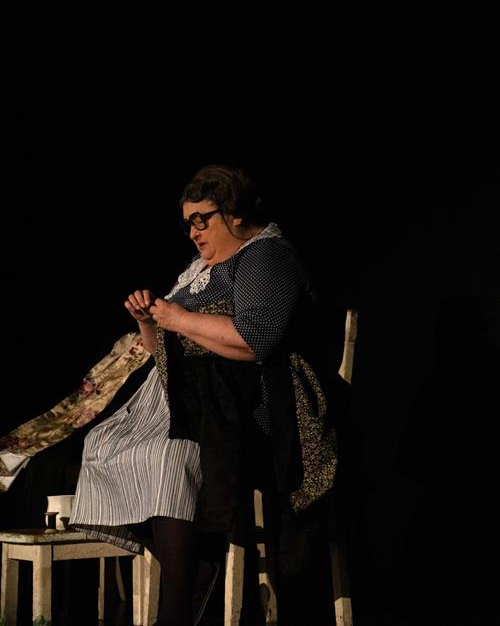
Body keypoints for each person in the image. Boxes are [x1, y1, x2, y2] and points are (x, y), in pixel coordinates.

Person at [70, 164, 339, 626]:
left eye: (202, 219)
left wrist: (177, 319)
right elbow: (162, 353)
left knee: (168, 457)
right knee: (103, 446)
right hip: (192, 402)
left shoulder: (264, 256)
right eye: (188, 222)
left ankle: (178, 609)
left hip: (248, 408)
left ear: (235, 213)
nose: (194, 231)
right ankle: (193, 571)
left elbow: (257, 339)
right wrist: (150, 323)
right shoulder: (198, 270)